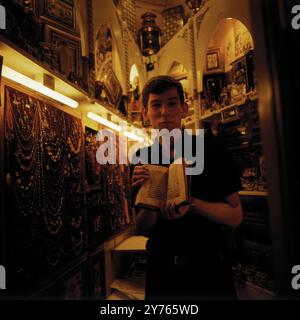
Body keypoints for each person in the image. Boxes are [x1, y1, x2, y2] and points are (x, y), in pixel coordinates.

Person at [131, 75, 243, 300]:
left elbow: (235, 216)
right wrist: (148, 198)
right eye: (156, 104)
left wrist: (192, 204)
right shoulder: (141, 159)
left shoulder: (212, 151)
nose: (165, 112)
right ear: (145, 113)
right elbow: (143, 228)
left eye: (172, 103)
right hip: (163, 275)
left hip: (210, 272)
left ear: (184, 109)